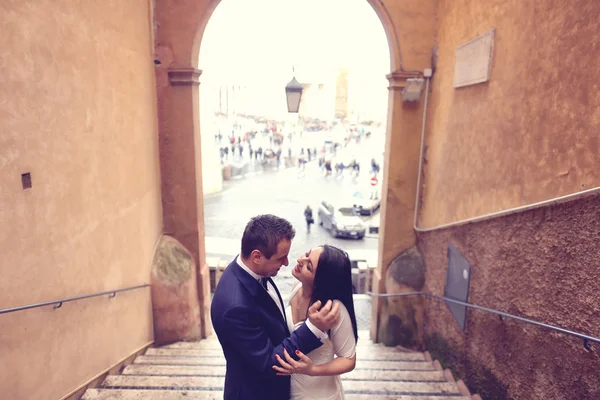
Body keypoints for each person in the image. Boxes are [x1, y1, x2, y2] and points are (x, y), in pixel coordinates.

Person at [211, 215, 341, 400]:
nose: (287, 263)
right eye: (281, 257)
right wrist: (312, 328)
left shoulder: (251, 272)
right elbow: (269, 363)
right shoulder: (235, 307)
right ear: (257, 256)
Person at [273, 245, 358, 400]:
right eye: (307, 254)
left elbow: (348, 360)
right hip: (288, 389)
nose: (300, 260)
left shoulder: (333, 310)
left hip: (318, 394)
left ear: (320, 281)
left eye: (308, 266)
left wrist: (313, 369)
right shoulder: (297, 285)